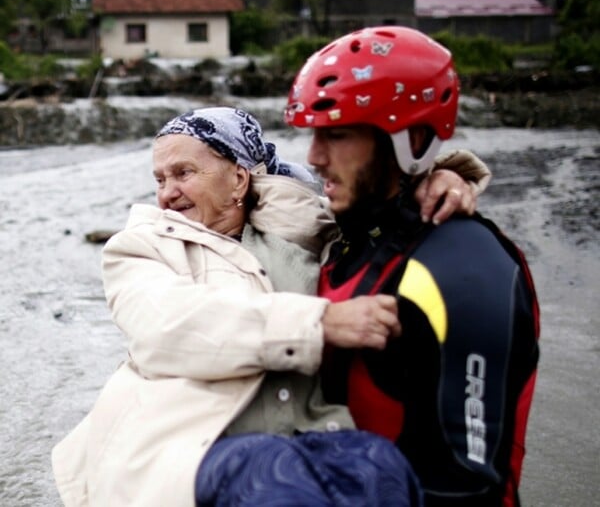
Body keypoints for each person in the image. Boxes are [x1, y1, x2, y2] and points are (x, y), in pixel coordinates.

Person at [51, 107, 487, 507]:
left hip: (306, 430)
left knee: (380, 467)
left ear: (239, 179)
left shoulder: (308, 231)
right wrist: (319, 323)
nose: (167, 194)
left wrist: (438, 180)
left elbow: (377, 201)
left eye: (183, 173)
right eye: (160, 179)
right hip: (186, 443)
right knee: (273, 474)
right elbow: (169, 327)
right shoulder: (141, 248)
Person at [284, 26, 540, 507]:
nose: (314, 157)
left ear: (412, 138)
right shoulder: (344, 237)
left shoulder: (465, 266)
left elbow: (466, 482)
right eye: (314, 134)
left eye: (337, 134)